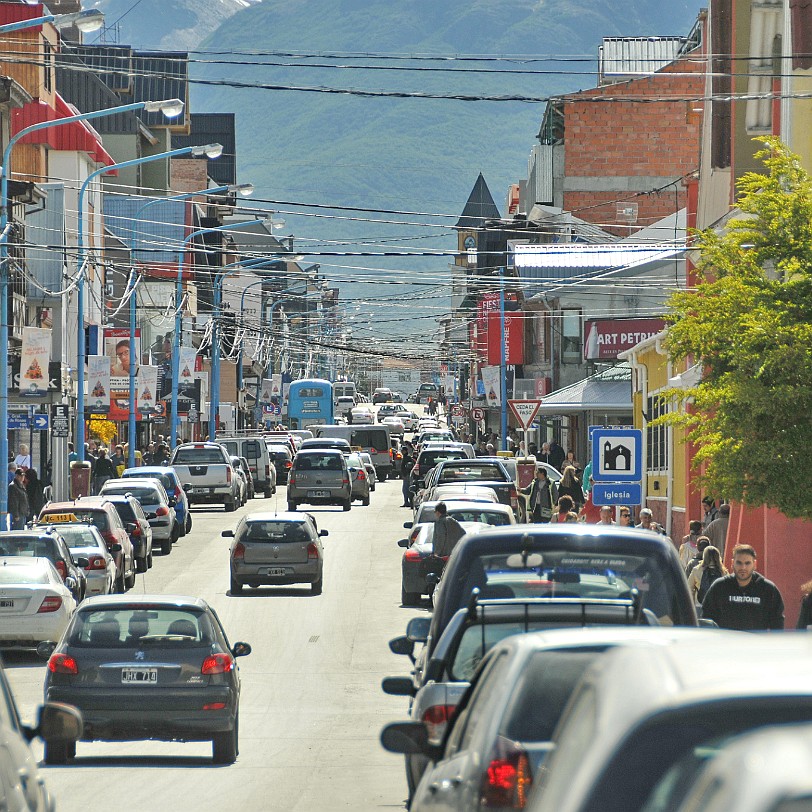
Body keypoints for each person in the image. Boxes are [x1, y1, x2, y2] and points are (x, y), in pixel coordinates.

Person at [701, 544, 784, 631]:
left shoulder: (768, 589)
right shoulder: (719, 587)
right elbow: (706, 618)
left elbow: (777, 623)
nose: (743, 567)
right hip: (726, 643)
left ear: (754, 564)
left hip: (757, 643)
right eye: (739, 563)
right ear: (732, 563)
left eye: (747, 563)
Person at [400, 442, 415, 508]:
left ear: (406, 451)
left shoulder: (408, 458)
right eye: (402, 450)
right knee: (405, 489)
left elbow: (409, 466)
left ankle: (409, 501)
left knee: (407, 489)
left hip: (407, 475)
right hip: (405, 475)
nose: (402, 452)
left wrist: (406, 473)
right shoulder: (404, 457)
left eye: (403, 450)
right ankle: (406, 501)